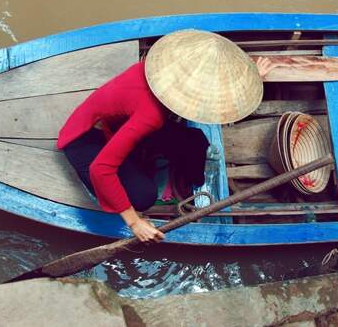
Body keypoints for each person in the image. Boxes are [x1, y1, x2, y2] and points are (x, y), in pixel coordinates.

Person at [57, 30, 263, 243]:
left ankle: (185, 180)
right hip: (86, 139)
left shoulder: (155, 67)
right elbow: (100, 169)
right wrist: (134, 222)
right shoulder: (151, 116)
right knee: (144, 196)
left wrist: (249, 80)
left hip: (117, 125)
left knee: (195, 141)